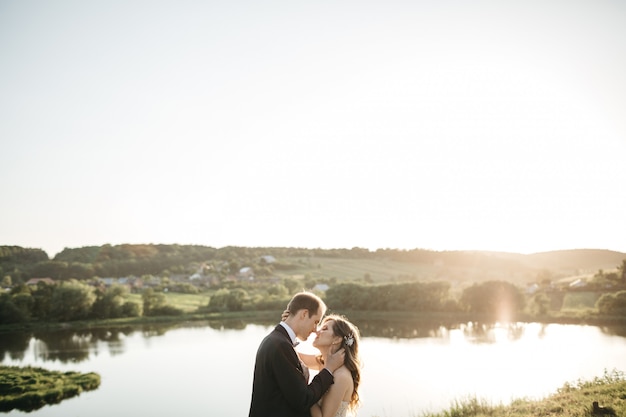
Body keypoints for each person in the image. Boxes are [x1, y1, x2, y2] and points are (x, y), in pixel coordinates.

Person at [248, 291, 345, 417]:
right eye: (316, 322)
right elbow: (303, 400)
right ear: (304, 314)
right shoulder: (281, 345)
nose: (316, 329)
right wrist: (328, 370)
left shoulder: (279, 341)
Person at [295, 314, 361, 417]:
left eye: (324, 329)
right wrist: (291, 322)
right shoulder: (323, 362)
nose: (316, 332)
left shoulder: (341, 376)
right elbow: (290, 355)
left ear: (337, 339)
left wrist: (306, 391)